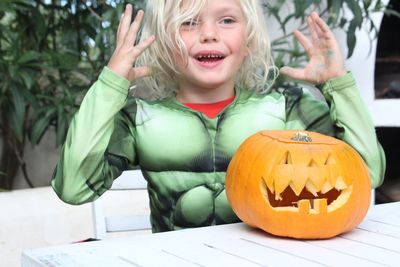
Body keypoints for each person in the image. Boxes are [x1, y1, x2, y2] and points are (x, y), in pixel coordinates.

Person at [51, 0, 385, 232]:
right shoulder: (139, 119)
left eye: (227, 20)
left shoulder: (287, 109)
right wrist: (110, 84)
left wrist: (337, 85)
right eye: (188, 22)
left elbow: (367, 173)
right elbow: (74, 188)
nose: (209, 33)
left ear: (249, 40)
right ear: (163, 42)